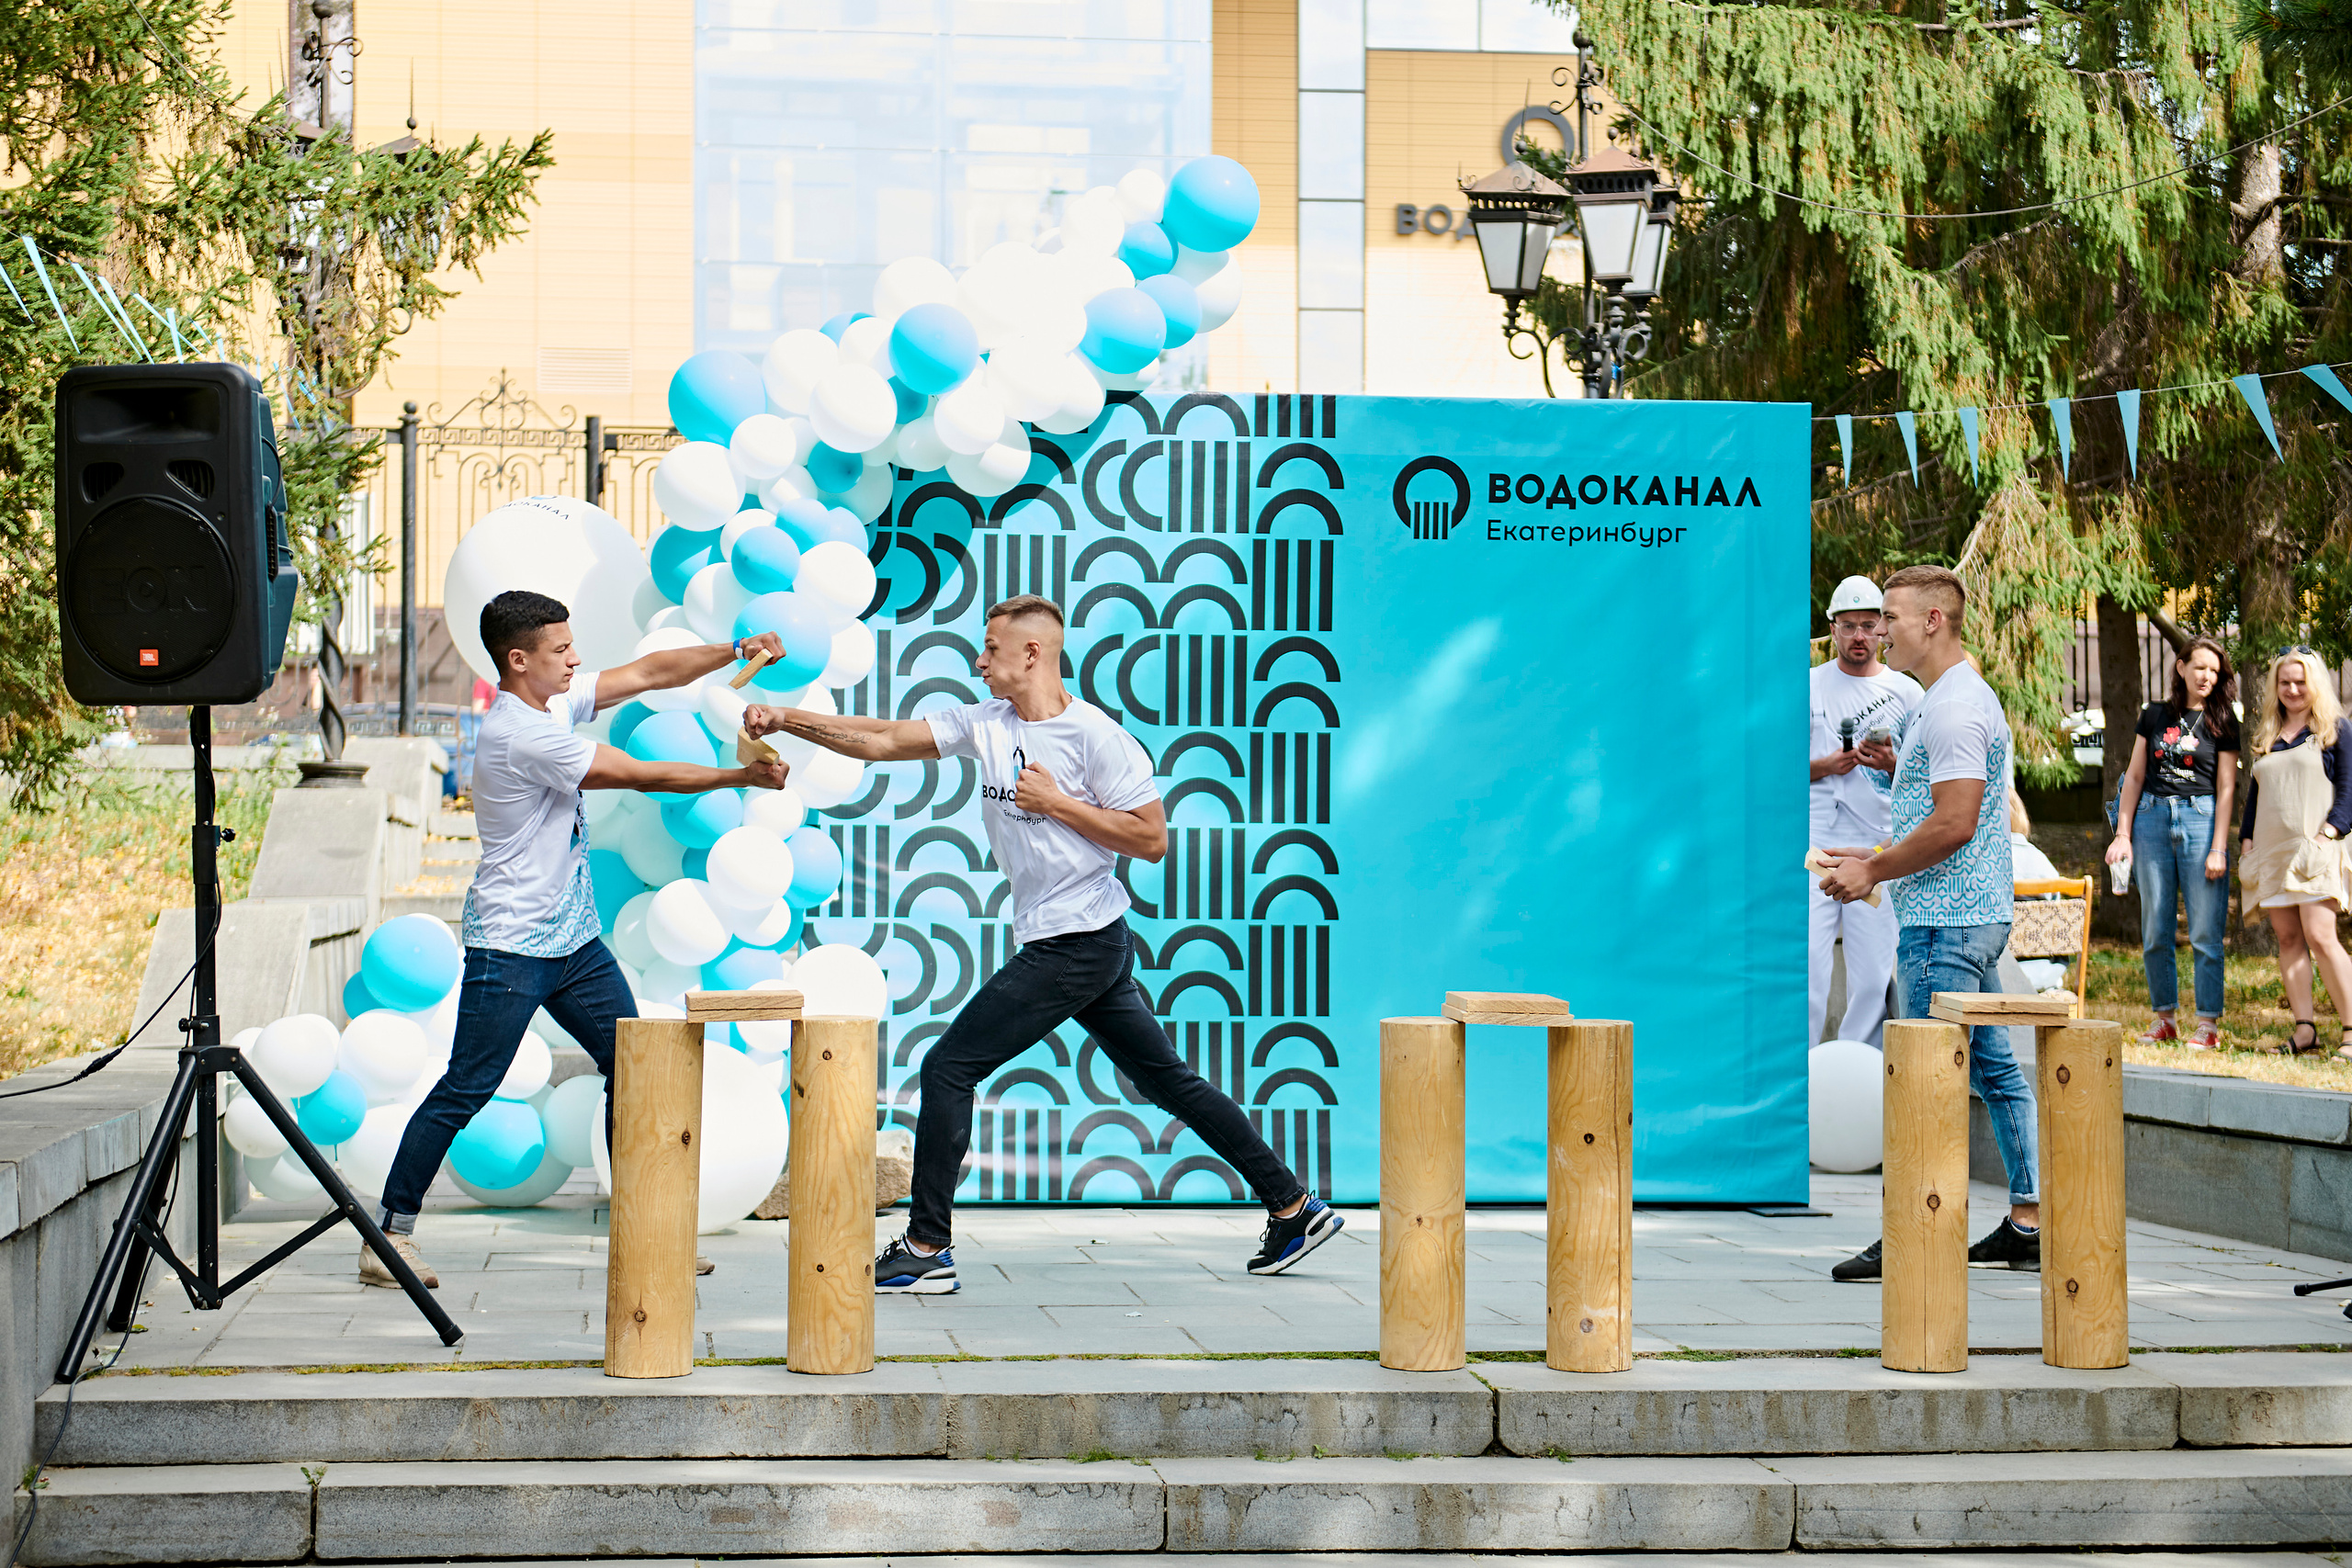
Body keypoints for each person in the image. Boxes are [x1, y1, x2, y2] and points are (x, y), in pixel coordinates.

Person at [742, 594, 1341, 1293]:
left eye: (990, 648)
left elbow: (1151, 839)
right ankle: (1293, 1205)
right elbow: (879, 739)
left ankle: (928, 1245)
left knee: (947, 1068)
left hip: (1076, 942)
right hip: (1085, 941)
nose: (979, 659)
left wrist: (1058, 803)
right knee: (1166, 1079)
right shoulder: (986, 722)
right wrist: (787, 718)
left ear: (1031, 653)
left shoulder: (1097, 738)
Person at [361, 591, 791, 1288]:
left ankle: (650, 1232)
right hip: (513, 944)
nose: (577, 658)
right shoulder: (521, 734)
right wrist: (739, 774)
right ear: (519, 659)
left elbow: (649, 673)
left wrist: (732, 652)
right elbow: (642, 776)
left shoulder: (551, 701)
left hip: (576, 940)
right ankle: (388, 1237)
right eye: (562, 650)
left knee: (636, 1066)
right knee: (467, 1087)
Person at [1818, 564, 2040, 1278]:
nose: (1879, 629)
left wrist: (1873, 870)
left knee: (1925, 1083)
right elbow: (1934, 807)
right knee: (1996, 1072)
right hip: (1962, 916)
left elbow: (1954, 821)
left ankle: (1912, 1231)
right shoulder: (1946, 699)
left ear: (1934, 620)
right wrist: (1889, 773)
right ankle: (2028, 1219)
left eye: (1891, 615)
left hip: (1945, 925)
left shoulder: (1950, 706)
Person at [2102, 637, 2239, 1049]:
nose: (2207, 677)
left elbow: (2228, 787)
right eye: (2200, 668)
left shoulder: (2224, 719)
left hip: (2201, 819)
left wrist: (2219, 847)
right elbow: (2135, 776)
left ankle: (2207, 1025)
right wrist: (2123, 834)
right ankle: (2164, 1018)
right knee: (2156, 927)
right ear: (2181, 667)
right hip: (2152, 820)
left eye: (2215, 671)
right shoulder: (2154, 715)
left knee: (2204, 931)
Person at [1807, 576, 1920, 1047]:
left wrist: (1893, 764)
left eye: (1868, 626)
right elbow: (1768, 772)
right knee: (1807, 967)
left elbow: (1928, 783)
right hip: (1813, 844)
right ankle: (1802, 1073)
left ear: (1883, 630)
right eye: (1848, 625)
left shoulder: (1907, 693)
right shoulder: (1806, 686)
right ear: (1832, 628)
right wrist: (1824, 766)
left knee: (1873, 973)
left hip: (1877, 845)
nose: (1858, 636)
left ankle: (1860, 1072)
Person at [2237, 647, 2352, 1059]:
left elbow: (2348, 790)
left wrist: (2329, 832)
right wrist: (2247, 842)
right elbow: (2255, 796)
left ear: (2315, 683)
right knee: (2288, 939)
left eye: (2300, 681)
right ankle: (2305, 1031)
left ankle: (2351, 1031)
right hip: (2272, 854)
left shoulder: (2334, 729)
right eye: (2284, 682)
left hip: (2315, 849)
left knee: (2322, 937)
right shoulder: (2269, 734)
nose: (2292, 688)